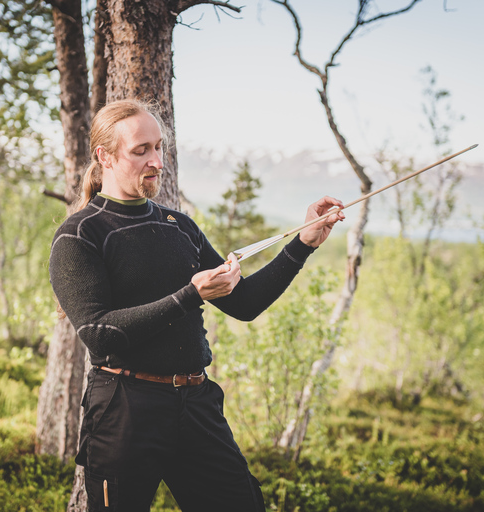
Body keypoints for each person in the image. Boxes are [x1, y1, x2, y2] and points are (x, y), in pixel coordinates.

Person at [49, 99, 345, 512]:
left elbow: (244, 303)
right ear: (105, 156)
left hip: (196, 403)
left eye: (159, 148)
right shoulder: (80, 235)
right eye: (141, 151)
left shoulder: (179, 226)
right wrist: (190, 295)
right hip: (123, 410)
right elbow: (99, 334)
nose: (156, 161)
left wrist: (303, 244)